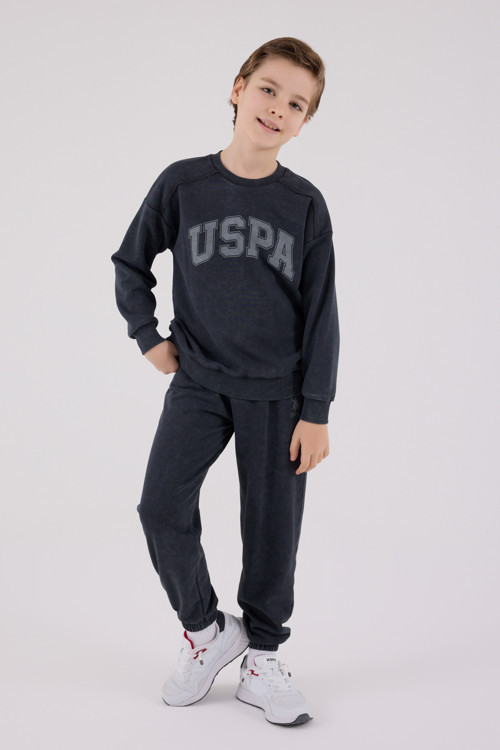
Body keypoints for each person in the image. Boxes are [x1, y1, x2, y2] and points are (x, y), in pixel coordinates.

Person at [110, 36, 340, 727]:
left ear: (305, 122)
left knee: (271, 531)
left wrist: (317, 410)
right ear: (239, 89)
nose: (277, 109)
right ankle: (207, 631)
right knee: (160, 506)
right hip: (199, 383)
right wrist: (148, 336)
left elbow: (322, 313)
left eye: (296, 104)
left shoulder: (304, 204)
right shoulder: (183, 184)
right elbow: (130, 262)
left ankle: (263, 657)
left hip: (279, 394)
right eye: (268, 89)